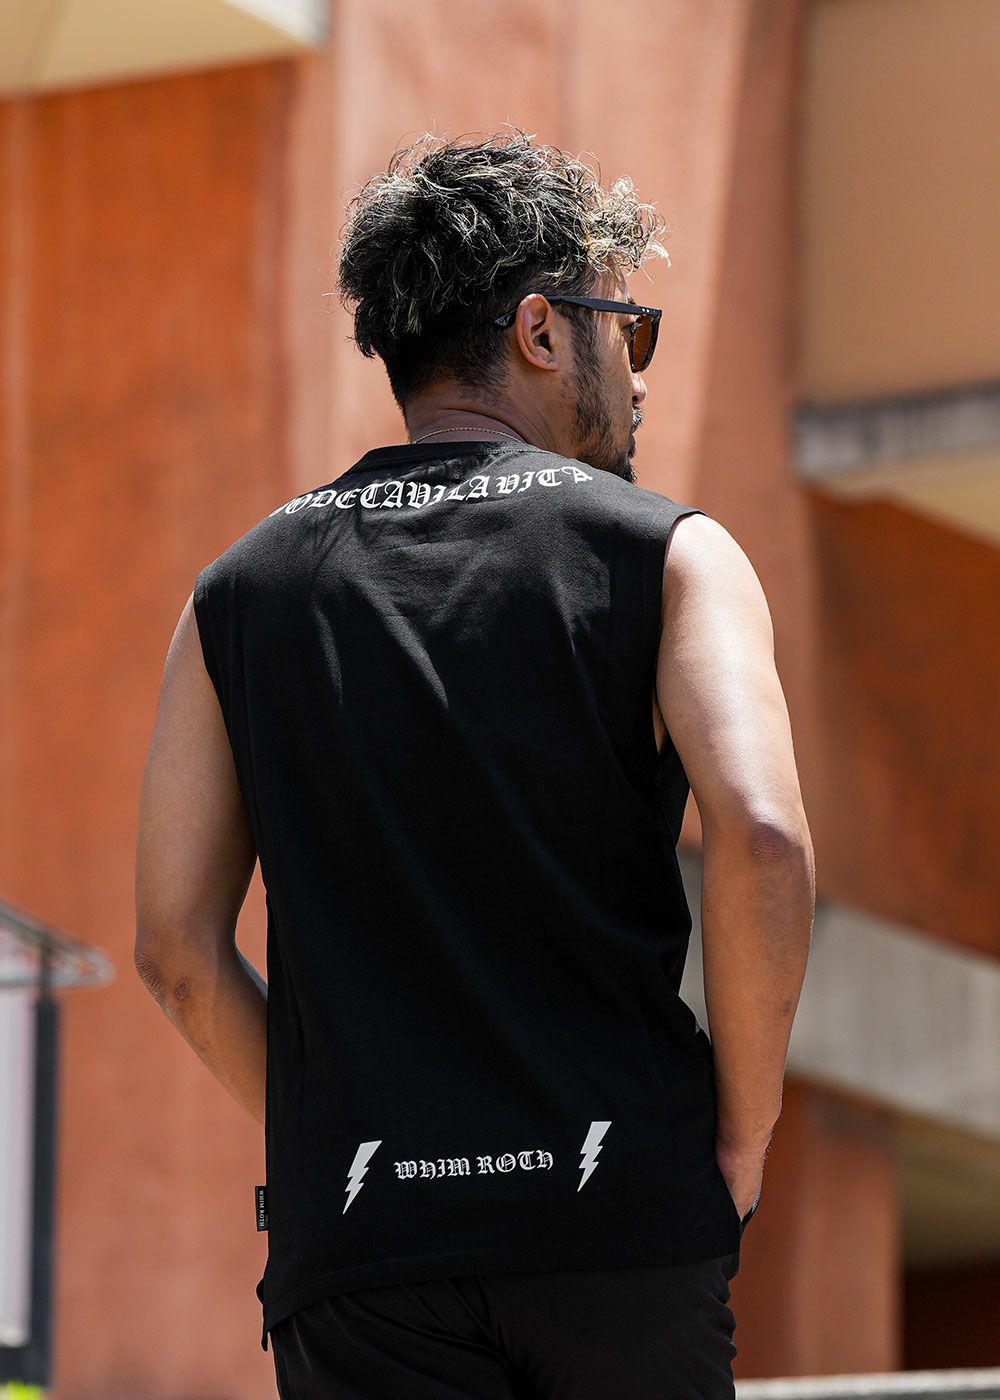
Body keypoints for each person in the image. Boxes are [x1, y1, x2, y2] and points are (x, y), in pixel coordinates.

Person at [134, 127, 815, 1399]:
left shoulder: (237, 592)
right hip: (617, 1216)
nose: (639, 379)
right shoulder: (668, 552)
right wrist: (741, 1128)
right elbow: (764, 835)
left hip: (365, 1249)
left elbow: (175, 947)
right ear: (542, 331)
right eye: (629, 330)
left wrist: (341, 1137)